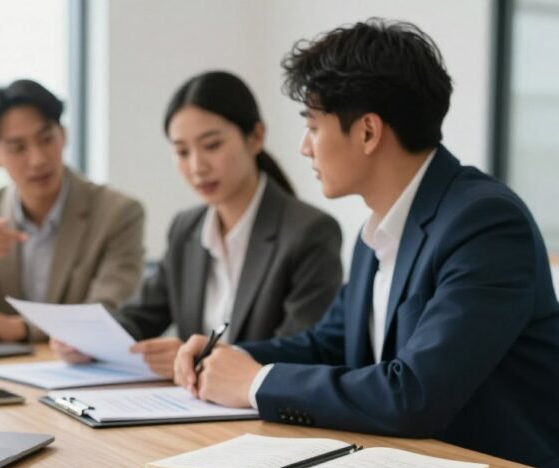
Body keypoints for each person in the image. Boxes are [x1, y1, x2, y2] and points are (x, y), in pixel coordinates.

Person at [174, 21, 559, 468]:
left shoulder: (485, 223)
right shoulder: (379, 228)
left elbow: (414, 394)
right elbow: (329, 345)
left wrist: (255, 382)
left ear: (369, 132)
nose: (304, 146)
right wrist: (225, 358)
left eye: (313, 126)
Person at [52, 71, 342, 378]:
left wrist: (197, 358)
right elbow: (141, 316)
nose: (197, 166)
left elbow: (301, 353)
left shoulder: (309, 231)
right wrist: (89, 341)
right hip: (193, 410)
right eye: (182, 152)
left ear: (256, 137)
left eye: (212, 145)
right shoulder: (186, 228)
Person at [0, 80, 145, 342]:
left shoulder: (118, 213)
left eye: (46, 139)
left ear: (63, 135)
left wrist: (23, 328)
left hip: (83, 372)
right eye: (18, 148)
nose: (38, 159)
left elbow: (106, 314)